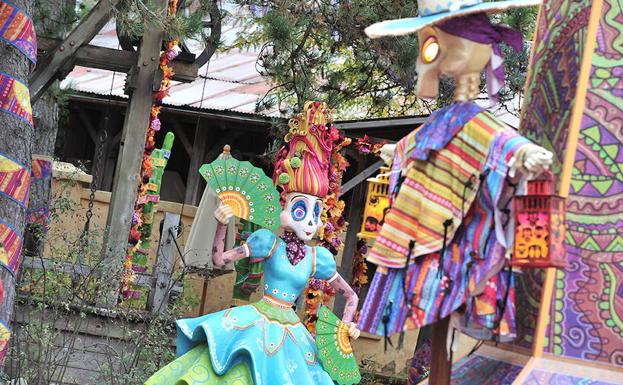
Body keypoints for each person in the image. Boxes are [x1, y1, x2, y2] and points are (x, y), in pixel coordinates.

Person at [145, 101, 360, 385]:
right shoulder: (268, 243)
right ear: (285, 207)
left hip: (292, 336)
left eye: (316, 211)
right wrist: (222, 223)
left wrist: (346, 327)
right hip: (257, 321)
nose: (309, 220)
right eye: (301, 209)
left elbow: (352, 296)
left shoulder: (317, 258)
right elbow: (220, 260)